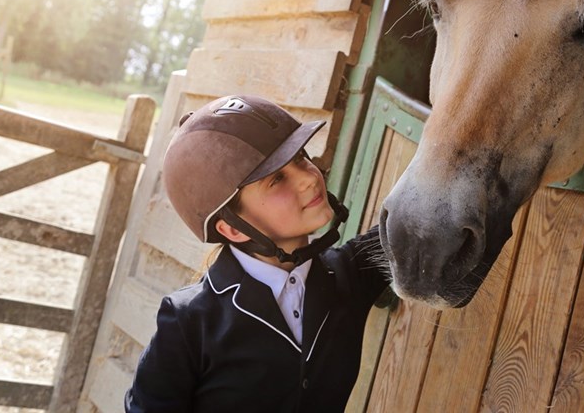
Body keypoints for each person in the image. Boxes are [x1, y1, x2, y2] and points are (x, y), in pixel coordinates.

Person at [125, 95, 389, 412]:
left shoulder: (352, 273)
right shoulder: (189, 322)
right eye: (278, 178)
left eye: (302, 158)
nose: (308, 177)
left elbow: (417, 222)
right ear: (233, 229)